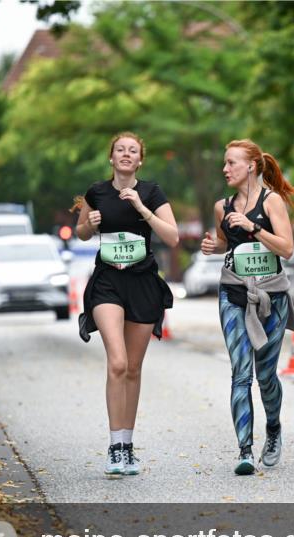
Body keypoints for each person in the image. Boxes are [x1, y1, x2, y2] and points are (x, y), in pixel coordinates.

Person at [73, 131, 179, 477]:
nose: (126, 154)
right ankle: (114, 446)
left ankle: (128, 446)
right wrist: (89, 224)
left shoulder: (151, 192)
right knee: (117, 362)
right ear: (112, 157)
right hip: (108, 282)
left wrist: (142, 209)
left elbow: (173, 237)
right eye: (120, 149)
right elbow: (81, 232)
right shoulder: (97, 192)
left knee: (133, 368)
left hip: (143, 282)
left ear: (140, 160)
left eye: (133, 150)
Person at [200, 139, 294, 475]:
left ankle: (273, 429)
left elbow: (287, 249)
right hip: (233, 293)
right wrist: (213, 246)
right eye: (225, 163)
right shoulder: (222, 207)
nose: (225, 169)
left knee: (266, 375)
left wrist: (253, 227)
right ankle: (245, 450)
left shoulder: (272, 202)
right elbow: (226, 243)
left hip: (272, 296)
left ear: (251, 166)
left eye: (231, 163)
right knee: (241, 373)